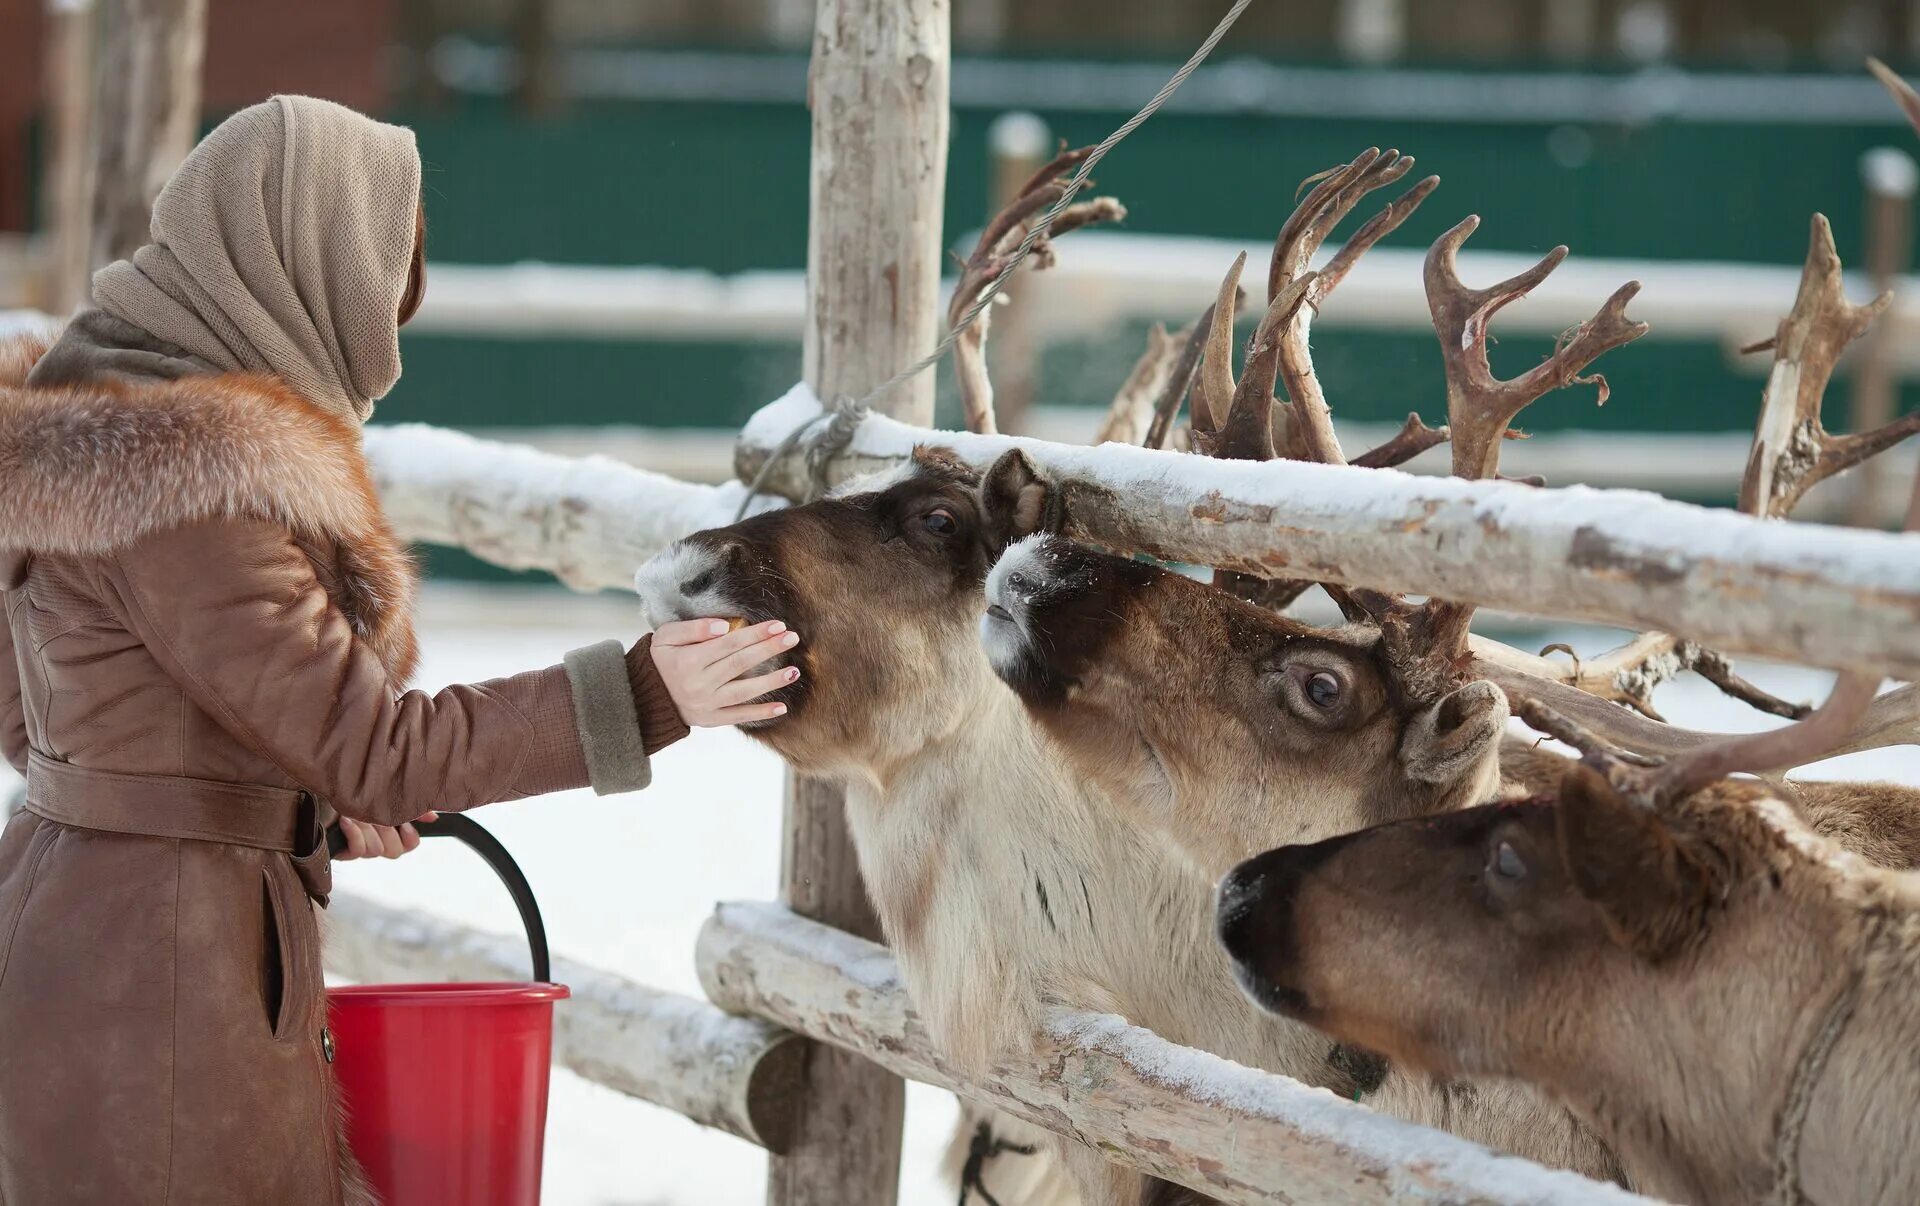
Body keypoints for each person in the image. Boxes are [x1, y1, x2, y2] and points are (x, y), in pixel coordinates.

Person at [0, 95, 794, 1206]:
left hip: (84, 941)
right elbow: (378, 753)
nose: (388, 322)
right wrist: (643, 693)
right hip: (168, 984)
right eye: (380, 276)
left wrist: (284, 799)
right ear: (290, 258)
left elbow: (41, 719)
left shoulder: (83, 423)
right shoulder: (190, 479)